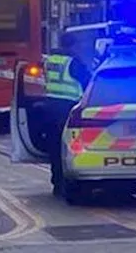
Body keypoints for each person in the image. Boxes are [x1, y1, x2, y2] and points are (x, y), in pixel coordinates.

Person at [42, 32, 92, 197]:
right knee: (69, 148)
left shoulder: (50, 60)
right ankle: (68, 184)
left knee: (54, 148)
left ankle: (57, 183)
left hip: (49, 107)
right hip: (68, 109)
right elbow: (87, 82)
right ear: (73, 45)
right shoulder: (73, 62)